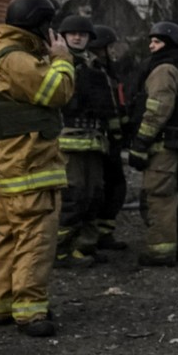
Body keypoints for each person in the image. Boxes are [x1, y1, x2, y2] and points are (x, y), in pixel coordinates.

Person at [0, 0, 75, 337]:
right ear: (37, 24)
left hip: (14, 169)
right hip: (29, 169)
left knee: (10, 236)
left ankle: (1, 304)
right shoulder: (17, 60)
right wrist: (63, 60)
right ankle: (30, 312)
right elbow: (58, 91)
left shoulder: (3, 56)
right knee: (36, 238)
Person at [128, 21, 178, 266]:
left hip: (163, 149)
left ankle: (160, 251)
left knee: (160, 198)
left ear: (169, 44)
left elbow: (157, 110)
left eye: (157, 41)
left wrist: (140, 143)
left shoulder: (163, 70)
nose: (151, 45)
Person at [53, 14, 116, 267]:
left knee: (94, 195)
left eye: (83, 34)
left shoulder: (95, 66)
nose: (77, 37)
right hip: (68, 141)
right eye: (72, 33)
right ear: (64, 36)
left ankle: (84, 247)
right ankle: (60, 251)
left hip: (95, 141)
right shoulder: (56, 62)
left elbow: (108, 104)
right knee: (73, 195)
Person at [87, 25, 130, 252]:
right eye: (108, 47)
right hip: (98, 139)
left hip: (112, 139)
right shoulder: (92, 70)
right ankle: (92, 236)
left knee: (116, 188)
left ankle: (105, 233)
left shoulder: (110, 70)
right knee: (99, 189)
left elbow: (118, 104)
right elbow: (103, 106)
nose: (112, 51)